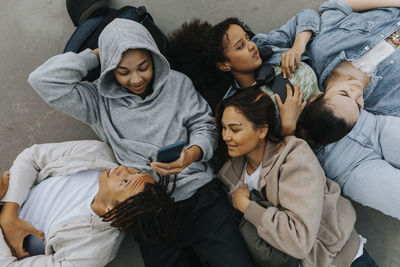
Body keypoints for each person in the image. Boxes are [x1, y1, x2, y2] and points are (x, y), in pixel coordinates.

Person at [28, 19, 254, 267]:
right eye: (123, 71)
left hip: (200, 198)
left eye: (143, 67)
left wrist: (191, 154)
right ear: (110, 68)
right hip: (146, 212)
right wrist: (100, 53)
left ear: (153, 58)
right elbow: (43, 80)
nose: (136, 79)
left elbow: (206, 126)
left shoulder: (177, 83)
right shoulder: (98, 101)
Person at [216, 88, 377, 267]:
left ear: (261, 131)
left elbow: (298, 240)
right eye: (223, 128)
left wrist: (246, 207)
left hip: (344, 260)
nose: (226, 136)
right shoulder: (228, 175)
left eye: (235, 129)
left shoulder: (294, 158)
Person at [0, 140, 179, 266]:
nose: (123, 169)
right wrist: (9, 213)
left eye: (125, 182)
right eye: (134, 172)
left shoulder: (91, 252)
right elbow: (31, 157)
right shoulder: (97, 154)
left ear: (113, 211)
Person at [169, 15, 321, 136]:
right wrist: (288, 129)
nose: (251, 45)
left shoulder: (264, 46)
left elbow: (308, 16)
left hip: (331, 89)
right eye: (240, 46)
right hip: (318, 134)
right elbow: (266, 153)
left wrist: (297, 46)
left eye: (247, 38)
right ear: (224, 65)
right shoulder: (239, 109)